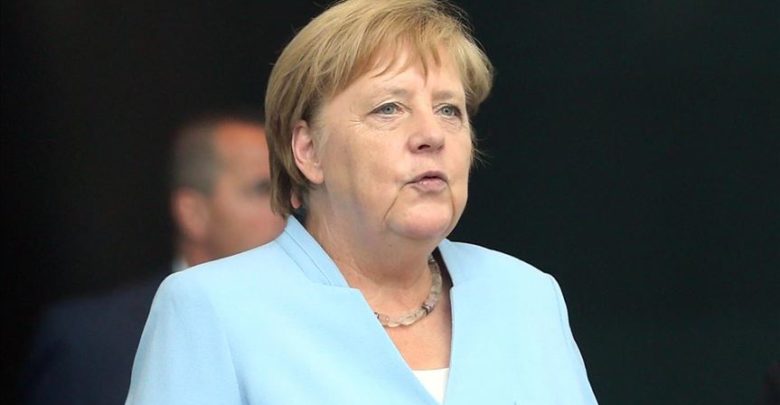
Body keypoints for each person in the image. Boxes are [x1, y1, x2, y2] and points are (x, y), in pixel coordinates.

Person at [125, 0, 598, 404]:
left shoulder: (527, 295)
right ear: (309, 151)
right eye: (388, 108)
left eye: (449, 109)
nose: (432, 134)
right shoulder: (210, 308)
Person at [20, 107, 286, 405]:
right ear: (194, 213)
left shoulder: (314, 324)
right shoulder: (92, 343)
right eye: (263, 189)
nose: (288, 208)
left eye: (291, 189)